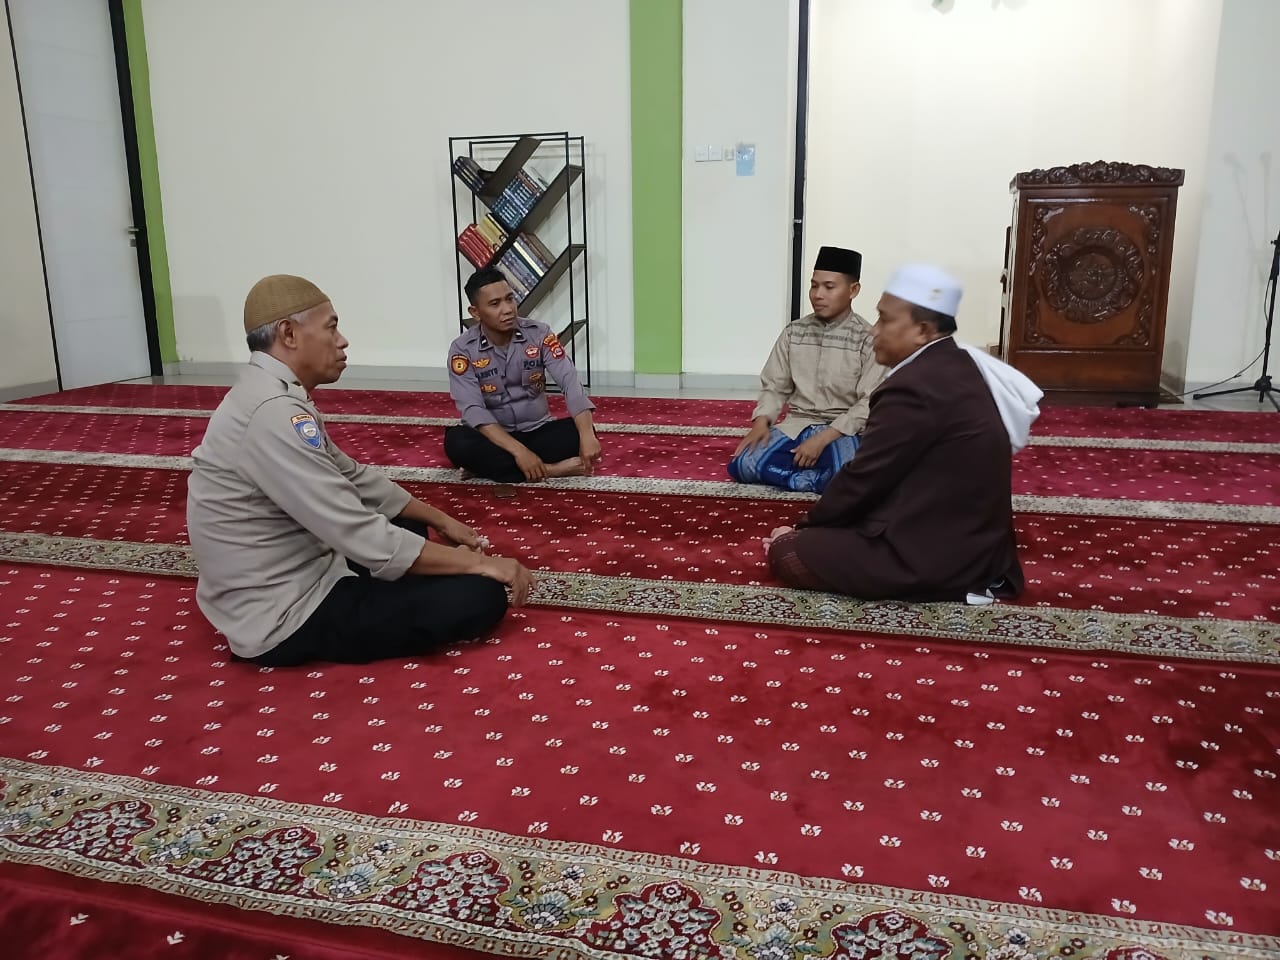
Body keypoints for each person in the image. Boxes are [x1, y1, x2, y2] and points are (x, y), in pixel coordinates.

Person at [187, 274, 533, 667]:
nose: (343, 340)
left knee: (410, 525)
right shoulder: (273, 413)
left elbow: (353, 476)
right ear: (289, 333)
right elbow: (360, 533)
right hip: (285, 613)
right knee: (479, 596)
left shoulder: (269, 392)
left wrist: (442, 520)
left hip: (300, 568)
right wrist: (482, 564)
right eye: (331, 327)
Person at [765, 263, 1042, 603]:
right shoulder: (956, 364)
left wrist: (800, 529)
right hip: (971, 543)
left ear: (922, 331)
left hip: (937, 556)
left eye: (884, 320)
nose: (874, 331)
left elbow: (864, 478)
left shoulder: (912, 388)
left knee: (789, 553)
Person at [728, 246, 886, 493]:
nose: (818, 295)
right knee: (743, 464)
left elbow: (868, 402)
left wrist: (822, 439)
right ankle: (809, 480)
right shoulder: (794, 332)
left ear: (853, 290)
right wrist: (761, 423)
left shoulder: (866, 339)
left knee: (850, 473)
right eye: (814, 286)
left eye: (829, 287)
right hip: (797, 425)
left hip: (842, 431)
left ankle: (800, 477)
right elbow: (774, 386)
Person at [444, 267, 601, 482]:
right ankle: (552, 469)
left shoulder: (539, 333)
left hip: (537, 431)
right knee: (457, 443)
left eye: (510, 299)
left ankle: (491, 469)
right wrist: (520, 452)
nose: (508, 309)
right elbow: (472, 409)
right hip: (494, 438)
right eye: (495, 304)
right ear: (476, 312)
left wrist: (586, 435)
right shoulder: (462, 349)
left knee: (581, 430)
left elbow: (569, 381)